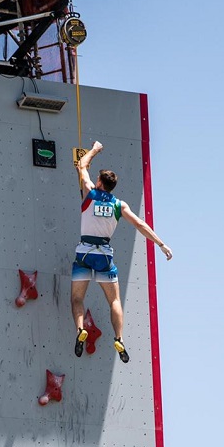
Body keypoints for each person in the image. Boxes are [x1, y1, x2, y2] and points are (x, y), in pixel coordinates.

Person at [72, 140, 172, 362]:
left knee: (77, 299)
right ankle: (119, 338)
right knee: (114, 301)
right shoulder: (119, 205)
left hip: (85, 252)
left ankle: (80, 331)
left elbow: (81, 165)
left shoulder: (89, 192)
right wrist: (161, 243)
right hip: (105, 256)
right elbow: (140, 224)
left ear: (99, 182)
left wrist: (95, 150)